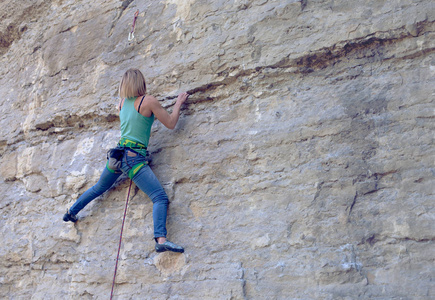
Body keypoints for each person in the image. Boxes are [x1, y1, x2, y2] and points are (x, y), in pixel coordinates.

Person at [63, 68, 189, 253]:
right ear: (141, 82)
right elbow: (170, 123)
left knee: (99, 187)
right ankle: (161, 239)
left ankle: (71, 211)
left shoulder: (122, 103)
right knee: (159, 197)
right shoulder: (148, 101)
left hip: (117, 156)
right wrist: (178, 103)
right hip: (133, 158)